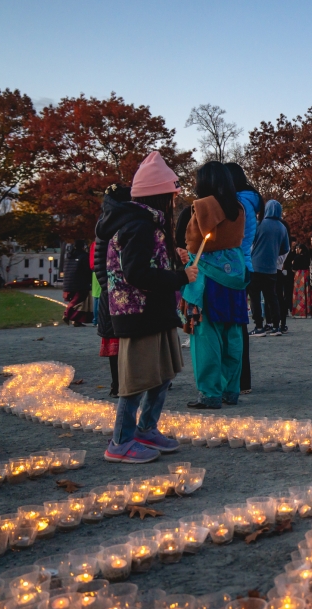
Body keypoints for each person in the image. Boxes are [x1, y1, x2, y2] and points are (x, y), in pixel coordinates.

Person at [101, 151, 196, 463]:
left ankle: (146, 428)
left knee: (163, 373)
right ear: (159, 196)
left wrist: (173, 255)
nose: (173, 202)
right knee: (138, 380)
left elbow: (150, 260)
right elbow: (137, 273)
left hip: (155, 310)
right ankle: (120, 441)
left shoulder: (149, 224)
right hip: (137, 312)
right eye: (170, 196)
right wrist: (180, 276)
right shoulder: (138, 225)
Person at [182, 161, 249, 409]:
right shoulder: (239, 208)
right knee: (232, 333)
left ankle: (210, 392)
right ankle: (231, 390)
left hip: (208, 274)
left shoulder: (202, 207)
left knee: (206, 334)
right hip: (235, 271)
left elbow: (192, 241)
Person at [226, 162, 261, 393]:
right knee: (238, 323)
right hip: (244, 262)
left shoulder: (238, 204)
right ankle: (243, 379)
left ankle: (240, 379)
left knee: (236, 324)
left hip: (235, 265)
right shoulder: (249, 201)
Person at [94, 184, 132, 396]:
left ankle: (118, 384)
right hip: (115, 287)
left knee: (118, 336)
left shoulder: (104, 221)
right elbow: (103, 261)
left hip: (108, 287)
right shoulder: (119, 222)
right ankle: (119, 384)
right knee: (122, 337)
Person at [248, 200, 290, 337]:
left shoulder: (259, 225)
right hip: (272, 268)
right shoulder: (282, 228)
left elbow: (249, 241)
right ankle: (276, 326)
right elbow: (285, 248)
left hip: (255, 266)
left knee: (254, 297)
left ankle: (259, 326)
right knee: (272, 297)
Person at [61, 240, 94, 326]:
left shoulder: (69, 256)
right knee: (80, 301)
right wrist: (91, 281)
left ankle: (76, 320)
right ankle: (67, 314)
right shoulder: (84, 256)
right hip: (80, 283)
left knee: (76, 301)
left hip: (68, 283)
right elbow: (87, 270)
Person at [288, 241, 312, 317]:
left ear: (300, 249)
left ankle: (300, 311)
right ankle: (310, 311)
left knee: (299, 293)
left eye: (297, 248)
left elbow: (294, 269)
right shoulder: (308, 257)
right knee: (308, 292)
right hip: (307, 274)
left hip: (299, 276)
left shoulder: (297, 257)